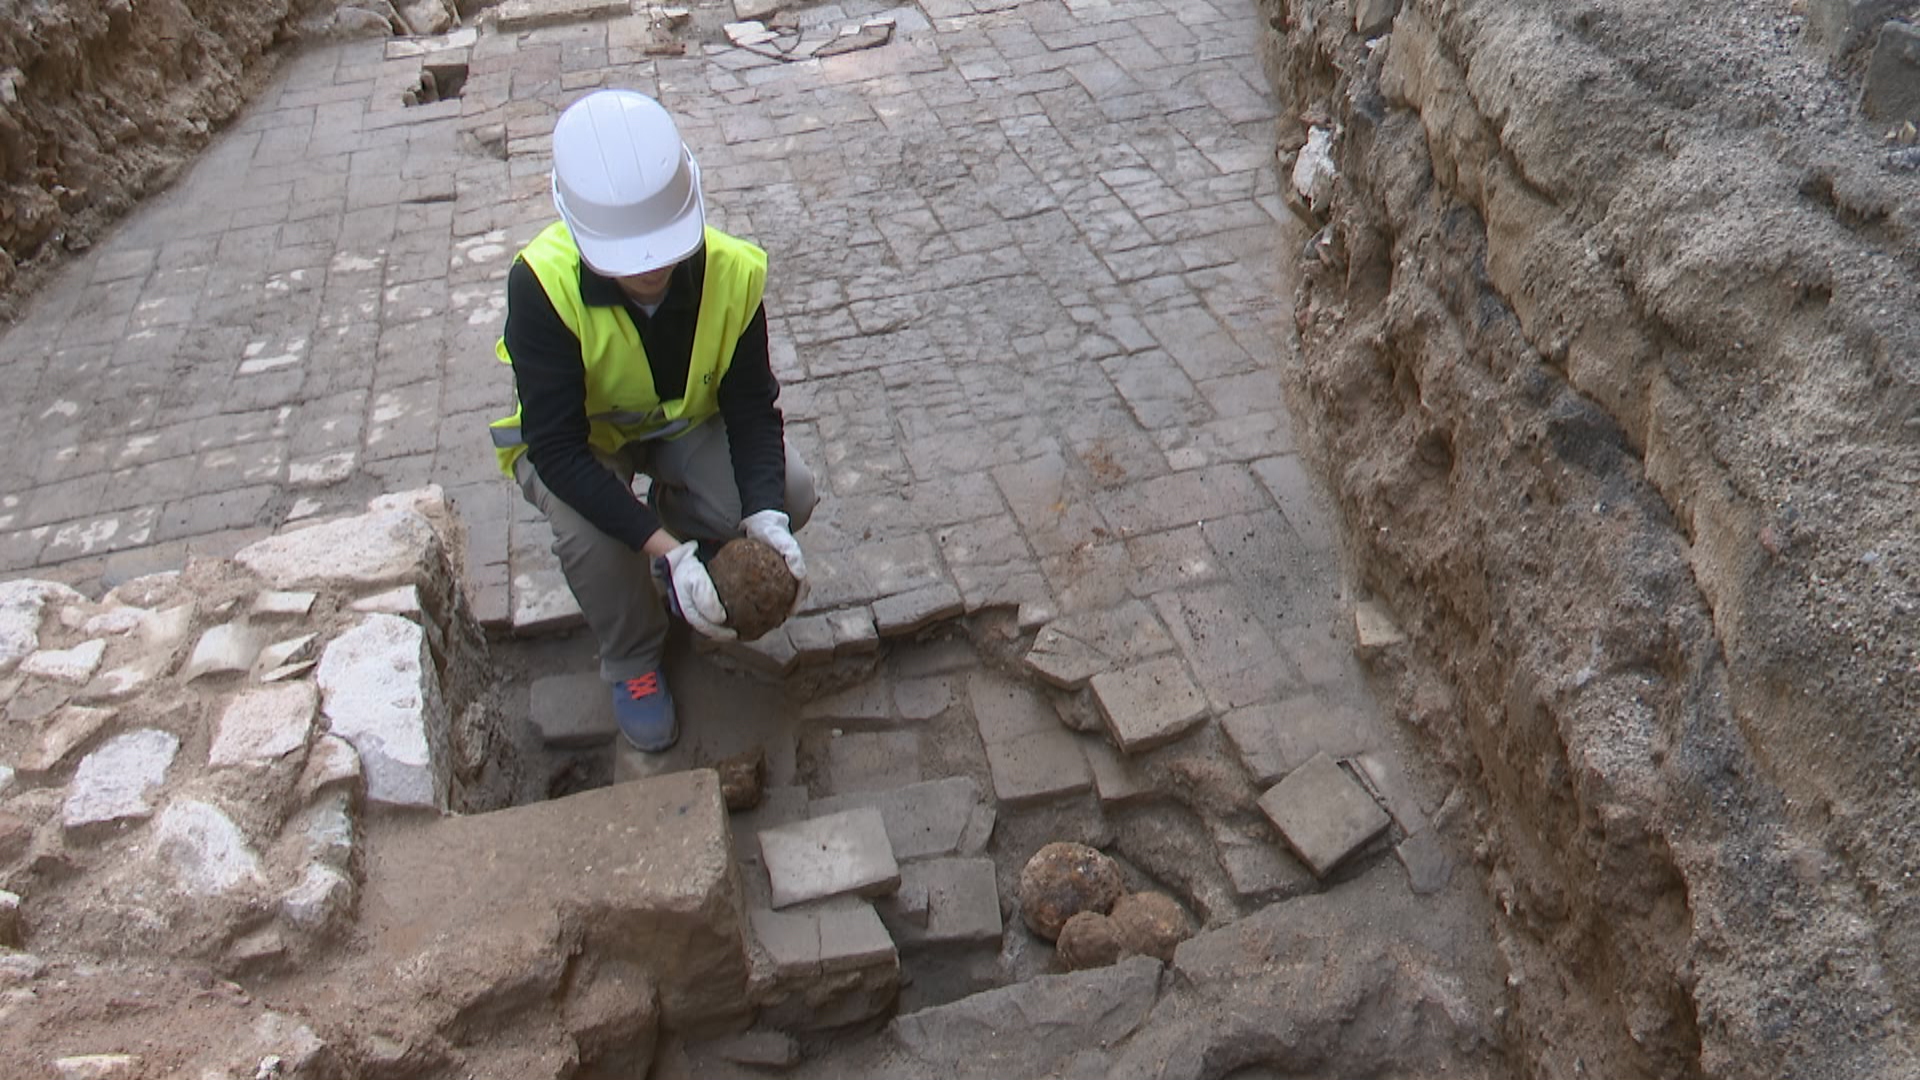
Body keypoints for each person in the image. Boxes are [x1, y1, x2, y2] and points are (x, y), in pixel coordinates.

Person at [489, 89, 814, 753]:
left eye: (662, 251)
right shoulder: (540, 285)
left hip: (680, 428)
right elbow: (555, 448)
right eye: (630, 261)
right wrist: (664, 548)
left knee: (789, 490)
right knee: (594, 535)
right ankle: (633, 659)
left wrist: (764, 518)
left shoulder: (732, 269)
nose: (652, 271)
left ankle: (680, 551)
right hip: (583, 447)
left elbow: (752, 405)